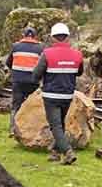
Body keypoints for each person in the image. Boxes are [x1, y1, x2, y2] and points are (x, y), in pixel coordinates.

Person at [33, 22, 84, 165]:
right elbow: (79, 72)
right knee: (60, 124)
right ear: (67, 37)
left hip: (51, 96)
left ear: (52, 38)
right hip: (67, 95)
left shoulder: (47, 54)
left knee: (55, 126)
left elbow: (36, 75)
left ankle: (68, 152)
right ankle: (55, 152)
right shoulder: (77, 54)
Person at [4, 25, 44, 137]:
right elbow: (42, 65)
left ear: (24, 35)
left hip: (18, 81)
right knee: (33, 105)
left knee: (16, 105)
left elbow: (8, 63)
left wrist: (16, 70)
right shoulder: (40, 48)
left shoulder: (15, 46)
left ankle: (13, 129)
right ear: (35, 36)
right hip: (33, 82)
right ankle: (31, 129)